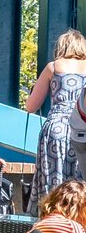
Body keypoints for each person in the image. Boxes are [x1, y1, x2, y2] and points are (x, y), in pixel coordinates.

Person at [26, 30, 86, 204]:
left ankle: (53, 215)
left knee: (54, 183)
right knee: (81, 183)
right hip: (81, 128)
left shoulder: (52, 67)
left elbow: (31, 107)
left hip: (56, 129)